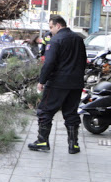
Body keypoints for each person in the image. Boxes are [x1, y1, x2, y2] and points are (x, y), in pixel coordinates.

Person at [28, 15, 87, 154]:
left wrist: (42, 81)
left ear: (58, 25)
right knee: (71, 112)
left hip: (58, 83)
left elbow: (49, 63)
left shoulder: (55, 40)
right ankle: (74, 145)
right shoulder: (79, 39)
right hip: (76, 83)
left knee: (45, 110)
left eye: (51, 27)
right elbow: (83, 60)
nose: (51, 30)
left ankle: (42, 141)